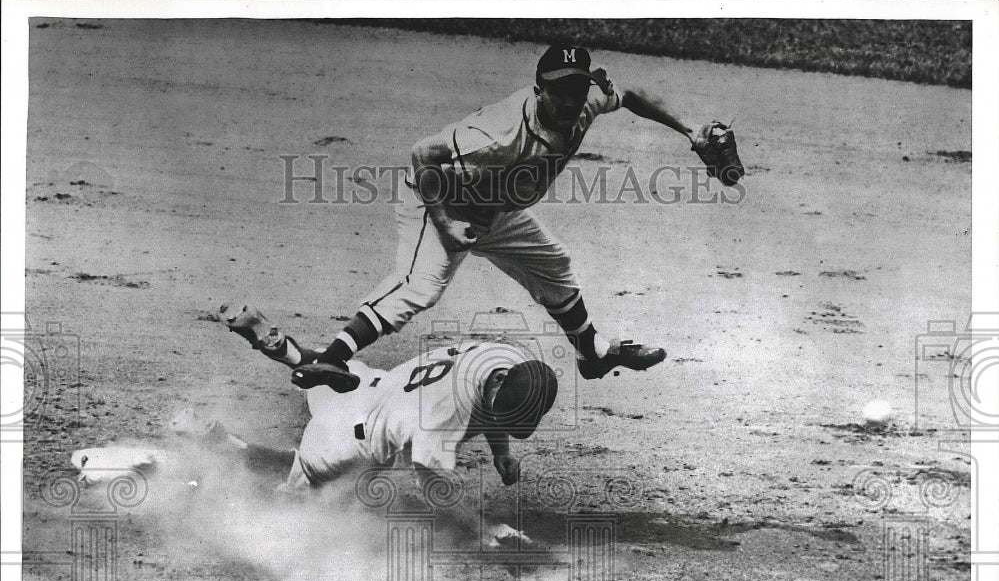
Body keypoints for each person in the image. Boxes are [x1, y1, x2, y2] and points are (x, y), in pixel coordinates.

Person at [230, 43, 703, 393]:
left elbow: (631, 93)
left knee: (553, 265)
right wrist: (445, 224)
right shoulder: (498, 132)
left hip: (497, 208)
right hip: (439, 198)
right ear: (539, 90)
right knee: (421, 286)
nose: (570, 101)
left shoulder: (586, 102)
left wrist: (692, 131)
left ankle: (592, 354)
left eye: (577, 91)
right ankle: (333, 359)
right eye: (559, 92)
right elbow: (423, 154)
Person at [200, 318, 557, 494]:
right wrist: (484, 534)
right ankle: (222, 444)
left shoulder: (503, 356)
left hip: (370, 382)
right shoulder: (445, 414)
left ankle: (283, 348)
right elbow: (432, 488)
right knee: (296, 490)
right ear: (499, 381)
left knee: (327, 369)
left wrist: (500, 452)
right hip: (345, 436)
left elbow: (493, 402)